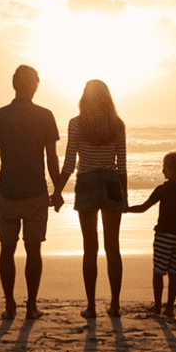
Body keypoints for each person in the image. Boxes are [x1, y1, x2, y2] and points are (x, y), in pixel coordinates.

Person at [0, 65, 61, 320]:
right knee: (33, 250)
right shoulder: (46, 116)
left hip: (6, 192)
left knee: (7, 249)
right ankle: (32, 306)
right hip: (36, 193)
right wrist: (57, 189)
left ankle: (9, 304)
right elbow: (52, 159)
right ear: (35, 85)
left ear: (13, 84)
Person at [53, 79, 127, 318]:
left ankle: (92, 306)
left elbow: (69, 163)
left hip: (86, 183)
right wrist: (123, 196)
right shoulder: (118, 124)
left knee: (90, 247)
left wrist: (56, 191)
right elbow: (122, 165)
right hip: (111, 182)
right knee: (113, 247)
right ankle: (115, 305)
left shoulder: (76, 123)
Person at [125, 151, 176, 317]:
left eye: (164, 167)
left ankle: (157, 306)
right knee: (174, 273)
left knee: (158, 272)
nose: (162, 171)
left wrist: (124, 210)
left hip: (163, 236)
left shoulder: (162, 189)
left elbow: (143, 208)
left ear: (169, 170)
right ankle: (170, 308)